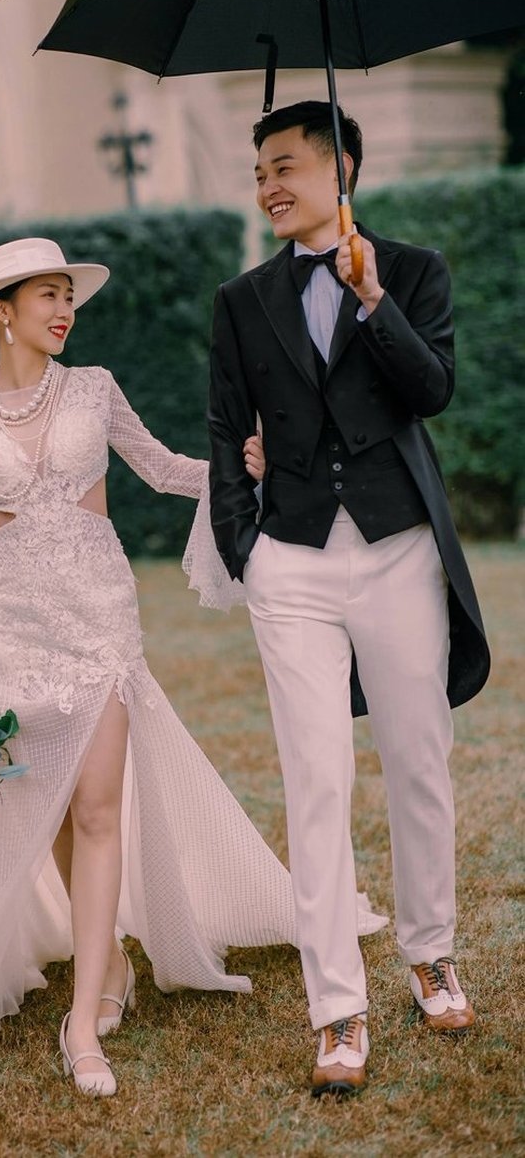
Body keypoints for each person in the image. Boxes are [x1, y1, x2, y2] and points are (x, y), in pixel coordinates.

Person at [0, 235, 383, 1096]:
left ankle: (82, 1025)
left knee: (96, 809)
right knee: (45, 805)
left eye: (67, 295)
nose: (64, 310)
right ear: (1, 311)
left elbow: (156, 469)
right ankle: (107, 960)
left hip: (98, 621)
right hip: (13, 626)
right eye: (47, 295)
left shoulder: (93, 387)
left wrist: (240, 469)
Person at [207, 100, 491, 1098]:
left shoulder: (411, 271)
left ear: (341, 170)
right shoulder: (241, 300)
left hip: (397, 549)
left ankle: (430, 953)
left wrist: (373, 300)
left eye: (283, 166)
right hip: (290, 562)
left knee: (417, 759)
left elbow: (432, 389)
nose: (267, 188)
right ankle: (336, 1007)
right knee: (314, 778)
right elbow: (223, 428)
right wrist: (244, 548)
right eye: (258, 172)